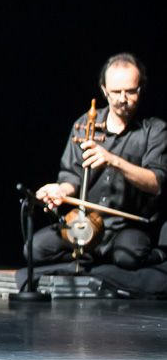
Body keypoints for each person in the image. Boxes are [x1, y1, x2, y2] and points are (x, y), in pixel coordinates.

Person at [31, 53, 166, 269]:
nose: (122, 99)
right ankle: (94, 256)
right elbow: (71, 178)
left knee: (128, 256)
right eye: (116, 92)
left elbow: (155, 183)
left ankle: (149, 255)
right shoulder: (84, 125)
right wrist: (60, 191)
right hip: (86, 222)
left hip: (127, 226)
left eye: (130, 91)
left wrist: (113, 160)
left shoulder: (154, 130)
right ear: (104, 90)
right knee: (35, 249)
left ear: (141, 88)